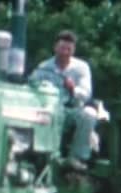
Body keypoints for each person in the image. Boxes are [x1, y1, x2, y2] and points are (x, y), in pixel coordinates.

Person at [30, 30, 96, 171]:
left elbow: (87, 94)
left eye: (69, 49)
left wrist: (73, 89)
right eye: (62, 48)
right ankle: (39, 155)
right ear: (55, 48)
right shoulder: (44, 67)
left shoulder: (81, 68)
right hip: (50, 108)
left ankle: (76, 158)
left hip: (72, 110)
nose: (65, 52)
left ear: (73, 50)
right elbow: (31, 85)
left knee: (89, 114)